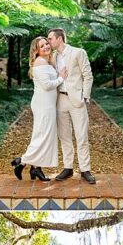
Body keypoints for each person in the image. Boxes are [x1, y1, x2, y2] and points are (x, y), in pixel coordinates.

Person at [47, 28, 95, 185]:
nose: (49, 42)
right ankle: (68, 168)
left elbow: (88, 75)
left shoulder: (78, 53)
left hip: (77, 100)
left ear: (60, 39)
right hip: (60, 100)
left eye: (51, 39)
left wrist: (84, 96)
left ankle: (85, 169)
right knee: (64, 136)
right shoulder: (53, 56)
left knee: (82, 136)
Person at [11, 37, 62, 182]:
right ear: (36, 50)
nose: (46, 46)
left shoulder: (48, 61)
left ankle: (36, 168)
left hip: (48, 104)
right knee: (42, 136)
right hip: (43, 105)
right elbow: (47, 85)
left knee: (44, 136)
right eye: (42, 46)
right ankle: (21, 161)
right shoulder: (40, 62)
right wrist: (61, 78)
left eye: (47, 43)